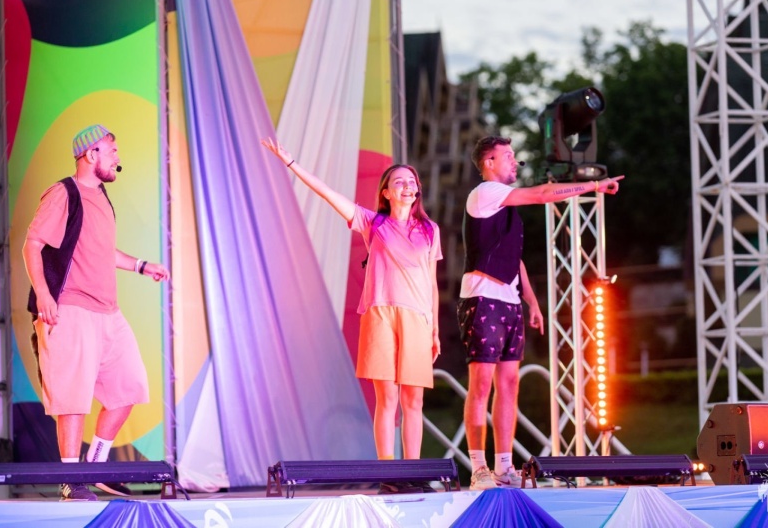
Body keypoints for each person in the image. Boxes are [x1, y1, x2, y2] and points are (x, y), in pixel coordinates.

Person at [262, 138, 441, 495]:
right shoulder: (373, 223)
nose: (407, 186)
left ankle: (415, 472)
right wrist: (292, 164)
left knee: (414, 401)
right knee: (387, 399)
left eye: (412, 181)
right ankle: (390, 474)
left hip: (418, 319)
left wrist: (434, 328)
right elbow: (329, 194)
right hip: (380, 314)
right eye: (399, 182)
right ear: (386, 192)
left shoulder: (429, 230)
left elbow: (432, 282)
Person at [459, 135, 622, 490]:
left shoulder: (505, 205)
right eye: (507, 155)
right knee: (481, 384)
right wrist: (592, 185)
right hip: (483, 298)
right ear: (489, 162)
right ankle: (478, 467)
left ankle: (504, 466)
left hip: (508, 300)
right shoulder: (485, 192)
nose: (514, 161)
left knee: (509, 384)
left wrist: (531, 301)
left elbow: (513, 259)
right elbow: (542, 194)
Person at [23, 124, 170, 501]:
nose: (117, 157)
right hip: (70, 309)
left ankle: (97, 466)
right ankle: (71, 480)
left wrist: (141, 265)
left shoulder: (102, 196)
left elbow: (103, 251)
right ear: (92, 155)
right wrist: (44, 295)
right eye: (112, 150)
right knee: (73, 399)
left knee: (129, 387)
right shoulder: (63, 193)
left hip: (108, 312)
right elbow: (33, 244)